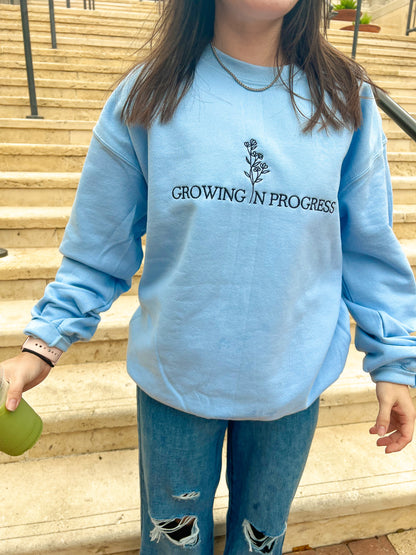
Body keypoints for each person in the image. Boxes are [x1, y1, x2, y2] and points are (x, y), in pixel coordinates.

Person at [2, 0, 416, 553]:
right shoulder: (147, 93)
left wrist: (395, 361)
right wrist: (41, 345)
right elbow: (97, 247)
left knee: (262, 539)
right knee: (172, 543)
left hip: (290, 383)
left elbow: (367, 249)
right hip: (177, 380)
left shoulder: (346, 98)